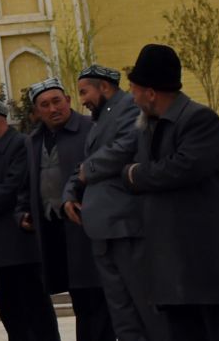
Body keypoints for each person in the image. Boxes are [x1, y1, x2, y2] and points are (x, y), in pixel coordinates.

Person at [122, 44, 219, 341]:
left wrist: (135, 174)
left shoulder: (199, 120)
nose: (133, 97)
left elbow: (182, 168)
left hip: (205, 262)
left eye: (135, 90)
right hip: (171, 264)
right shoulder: (148, 127)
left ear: (151, 92)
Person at [67, 64, 163, 341]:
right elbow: (82, 167)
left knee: (145, 308)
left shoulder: (129, 108)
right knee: (122, 313)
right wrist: (69, 194)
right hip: (101, 229)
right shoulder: (101, 117)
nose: (82, 100)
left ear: (104, 87)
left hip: (125, 226)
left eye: (85, 92)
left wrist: (90, 169)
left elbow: (125, 146)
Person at [24, 79, 112, 341]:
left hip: (87, 229)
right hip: (53, 232)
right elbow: (24, 184)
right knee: (80, 299)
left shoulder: (90, 130)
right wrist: (23, 214)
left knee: (96, 299)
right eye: (45, 105)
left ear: (69, 101)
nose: (53, 109)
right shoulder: (32, 141)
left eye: (57, 101)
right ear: (37, 112)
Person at [0, 96, 58, 341]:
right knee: (10, 312)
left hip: (21, 244)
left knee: (36, 312)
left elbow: (13, 185)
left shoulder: (21, 145)